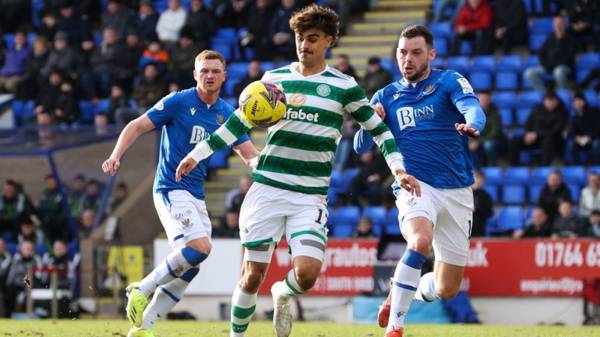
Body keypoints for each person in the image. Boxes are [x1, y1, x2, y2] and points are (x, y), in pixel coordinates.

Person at [176, 5, 407, 337]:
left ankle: (283, 293)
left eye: (313, 39)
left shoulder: (345, 86)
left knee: (308, 274)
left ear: (329, 40)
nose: (304, 45)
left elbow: (379, 131)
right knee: (252, 274)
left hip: (309, 197)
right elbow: (235, 125)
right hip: (267, 189)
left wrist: (398, 169)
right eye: (300, 38)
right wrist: (197, 155)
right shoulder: (273, 81)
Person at [102, 50, 257, 337]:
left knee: (192, 264)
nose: (209, 75)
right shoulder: (178, 102)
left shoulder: (227, 113)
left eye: (215, 71)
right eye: (204, 70)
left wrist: (271, 165)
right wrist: (116, 156)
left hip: (196, 195)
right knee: (200, 248)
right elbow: (137, 125)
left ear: (224, 76)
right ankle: (142, 287)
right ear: (195, 74)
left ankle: (143, 327)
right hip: (170, 189)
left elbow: (249, 155)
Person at [353, 25, 485, 337]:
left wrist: (471, 124)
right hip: (414, 184)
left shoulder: (449, 80)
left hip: (457, 191)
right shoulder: (386, 95)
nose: (407, 59)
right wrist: (371, 119)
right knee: (420, 241)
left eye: (415, 52)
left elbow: (473, 107)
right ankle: (396, 327)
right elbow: (359, 147)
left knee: (447, 288)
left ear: (431, 54)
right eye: (402, 52)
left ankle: (401, 289)